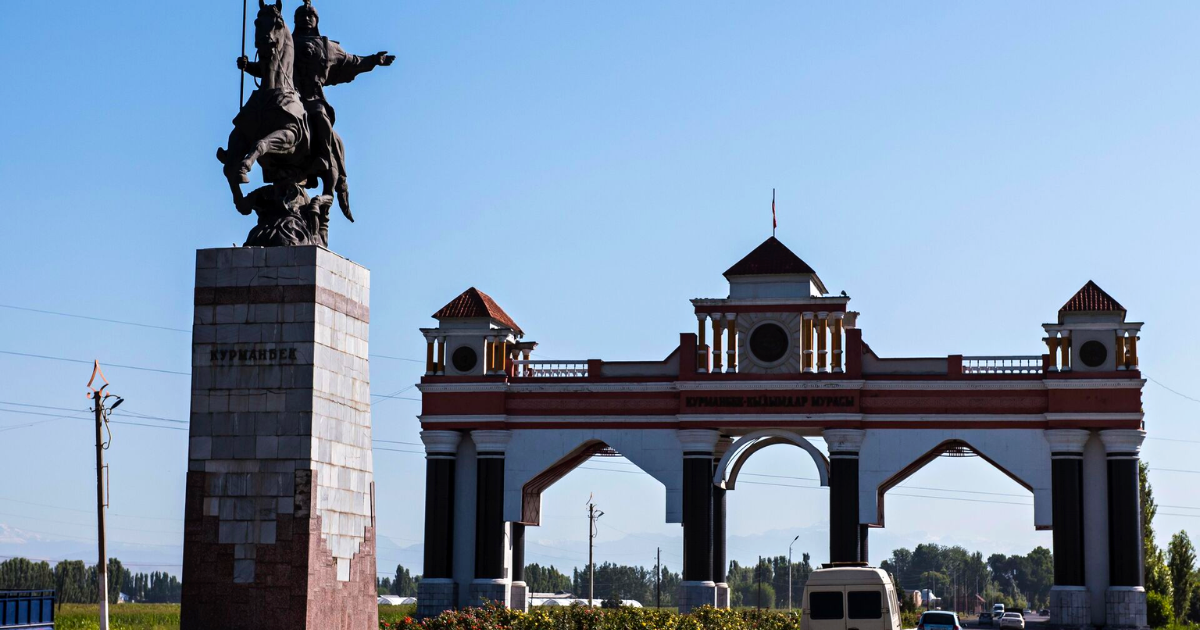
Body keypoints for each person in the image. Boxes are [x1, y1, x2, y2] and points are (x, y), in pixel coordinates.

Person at [290, 0, 394, 222]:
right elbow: (270, 65)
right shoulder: (287, 43)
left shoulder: (327, 46)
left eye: (311, 15)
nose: (306, 18)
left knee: (319, 116)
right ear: (295, 21)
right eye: (301, 15)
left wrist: (375, 60)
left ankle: (322, 157)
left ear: (316, 21)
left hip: (312, 98)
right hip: (288, 96)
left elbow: (353, 61)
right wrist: (249, 66)